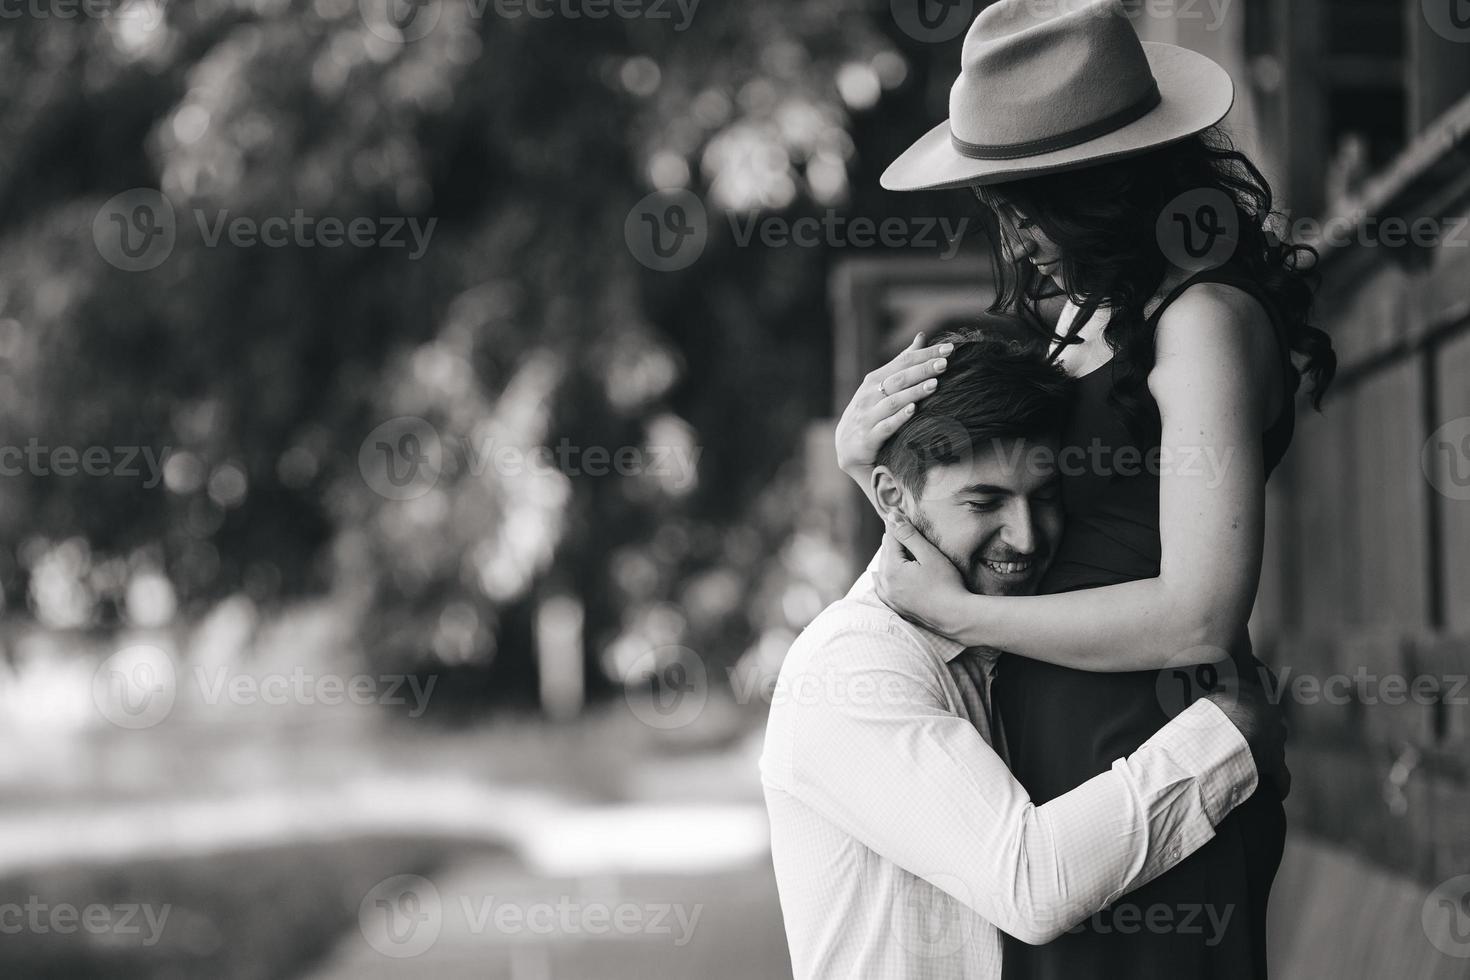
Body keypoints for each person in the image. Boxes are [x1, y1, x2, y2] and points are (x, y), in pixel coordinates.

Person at [835, 1, 1335, 977]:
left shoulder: (1200, 323)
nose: (1014, 236)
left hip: (1163, 760)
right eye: (1002, 205)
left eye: (1031, 205)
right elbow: (988, 524)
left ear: (1102, 191)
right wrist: (869, 470)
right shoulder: (1075, 321)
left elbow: (1197, 613)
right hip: (1044, 793)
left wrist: (969, 619)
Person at [762, 330, 1287, 980]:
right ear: (891, 500)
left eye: (1044, 498)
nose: (1027, 535)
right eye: (985, 502)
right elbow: (1031, 882)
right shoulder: (854, 665)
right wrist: (1224, 739)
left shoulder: (988, 644)